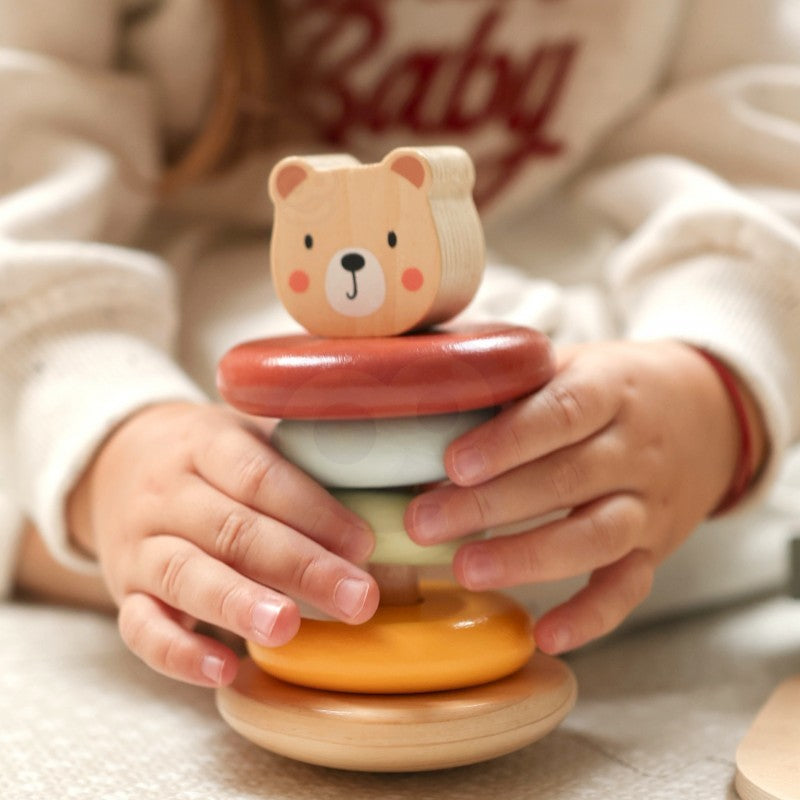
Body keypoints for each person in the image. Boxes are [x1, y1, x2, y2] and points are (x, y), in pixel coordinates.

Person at [3, 0, 799, 688]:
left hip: (588, 317)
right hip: (180, 343)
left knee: (617, 486)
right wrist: (107, 446)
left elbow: (758, 152)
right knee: (140, 474)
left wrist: (713, 387)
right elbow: (24, 191)